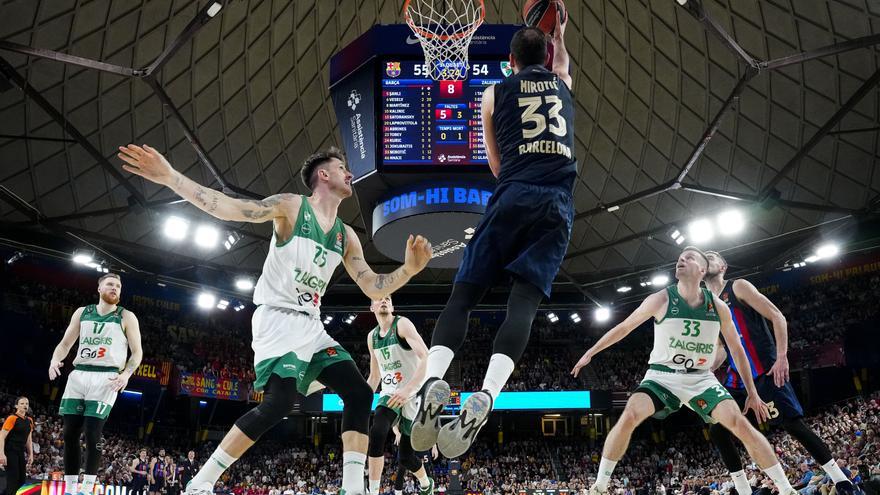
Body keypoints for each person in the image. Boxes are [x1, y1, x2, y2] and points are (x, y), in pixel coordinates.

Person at [117, 144, 432, 495]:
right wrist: (171, 177)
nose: (349, 173)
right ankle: (201, 481)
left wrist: (408, 270)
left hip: (312, 325)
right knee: (278, 405)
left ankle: (354, 488)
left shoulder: (346, 235)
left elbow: (373, 286)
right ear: (323, 175)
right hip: (278, 320)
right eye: (342, 167)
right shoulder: (292, 207)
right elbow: (232, 208)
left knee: (359, 393)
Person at [411, 12, 576, 458]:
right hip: (557, 204)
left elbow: (496, 164)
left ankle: (433, 381)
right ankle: (488, 393)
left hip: (511, 193)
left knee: (462, 297)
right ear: (548, 55)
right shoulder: (563, 82)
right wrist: (559, 31)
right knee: (522, 303)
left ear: (509, 60)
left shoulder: (492, 93)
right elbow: (561, 59)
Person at [569, 247, 798, 495]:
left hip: (700, 378)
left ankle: (786, 489)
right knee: (631, 414)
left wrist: (752, 392)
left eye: (689, 257)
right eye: (680, 257)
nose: (681, 259)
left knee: (739, 424)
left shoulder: (719, 307)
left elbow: (738, 350)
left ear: (702, 270)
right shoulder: (661, 299)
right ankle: (600, 486)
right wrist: (592, 351)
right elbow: (625, 327)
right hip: (662, 376)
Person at [703, 250, 856, 495]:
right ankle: (743, 489)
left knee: (793, 426)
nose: (706, 258)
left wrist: (782, 356)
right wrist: (710, 366)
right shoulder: (707, 307)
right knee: (717, 429)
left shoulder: (738, 287)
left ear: (723, 267)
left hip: (765, 369)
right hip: (738, 378)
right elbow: (722, 346)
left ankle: (841, 480)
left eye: (711, 256)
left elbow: (777, 316)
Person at [49, 273, 144, 495]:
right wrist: (55, 359)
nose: (115, 288)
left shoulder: (126, 316)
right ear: (99, 288)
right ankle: (71, 489)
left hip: (107, 378)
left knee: (92, 433)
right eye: (110, 284)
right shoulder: (83, 313)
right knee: (70, 433)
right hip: (79, 374)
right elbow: (65, 344)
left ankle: (87, 488)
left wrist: (126, 374)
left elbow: (137, 352)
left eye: (119, 286)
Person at [365, 296, 433, 495]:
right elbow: (375, 374)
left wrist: (408, 389)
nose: (384, 300)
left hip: (414, 393)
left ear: (393, 306)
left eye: (388, 298)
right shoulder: (372, 337)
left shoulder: (402, 324)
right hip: (390, 393)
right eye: (379, 298)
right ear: (372, 307)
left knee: (405, 458)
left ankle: (426, 484)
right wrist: (360, 398)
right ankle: (374, 491)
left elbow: (425, 355)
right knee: (377, 432)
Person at [0, 397, 34, 495]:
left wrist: (31, 454)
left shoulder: (30, 420)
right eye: (22, 403)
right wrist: (1, 454)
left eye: (26, 403)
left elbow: (29, 439)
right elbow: (1, 436)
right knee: (13, 480)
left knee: (22, 480)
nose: (25, 405)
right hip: (10, 451)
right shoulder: (12, 418)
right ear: (16, 406)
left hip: (20, 452)